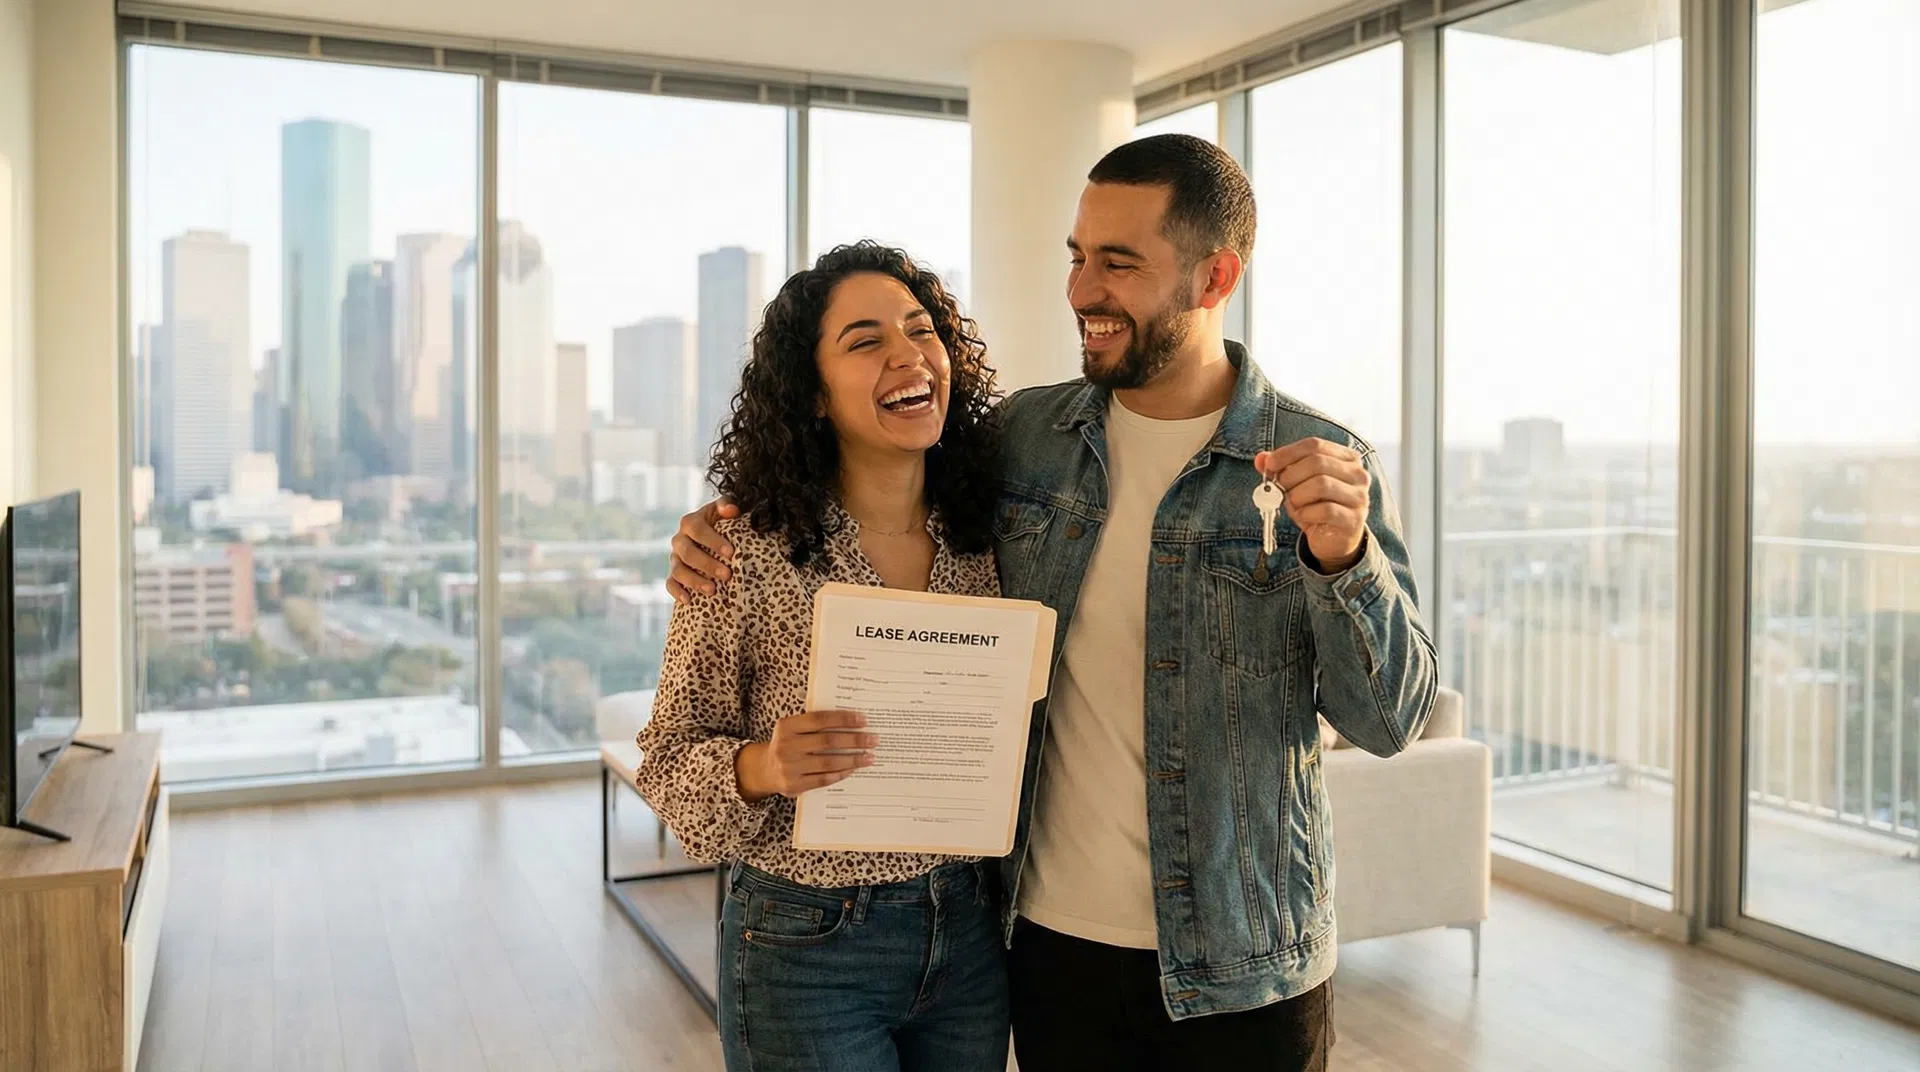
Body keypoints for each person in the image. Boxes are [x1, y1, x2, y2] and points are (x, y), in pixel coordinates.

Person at [668, 136, 1438, 1071]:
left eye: (1119, 262)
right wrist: (711, 530)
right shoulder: (1025, 442)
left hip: (1246, 965)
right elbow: (862, 469)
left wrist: (1345, 558)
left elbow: (1391, 722)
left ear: (1215, 275)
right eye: (1076, 257)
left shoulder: (1323, 463)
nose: (1081, 291)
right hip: (1044, 946)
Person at [636, 242, 1010, 1072]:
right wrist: (761, 766)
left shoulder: (992, 538)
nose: (908, 356)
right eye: (865, 340)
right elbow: (665, 761)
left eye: (922, 330)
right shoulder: (741, 552)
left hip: (973, 935)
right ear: (812, 394)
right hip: (807, 946)